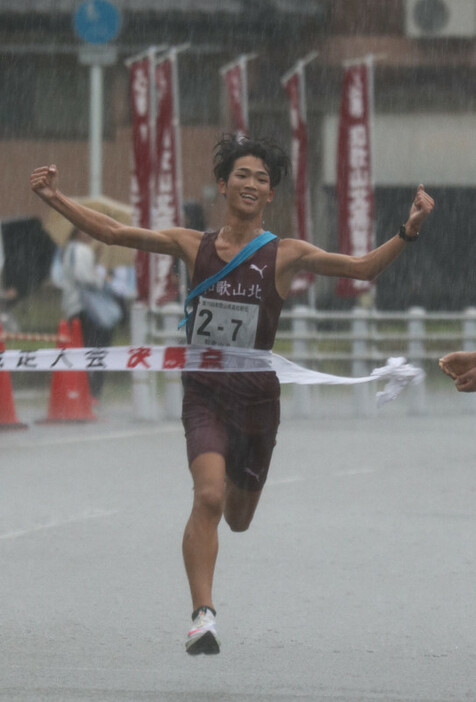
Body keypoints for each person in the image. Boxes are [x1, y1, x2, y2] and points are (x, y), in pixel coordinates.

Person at [31, 134, 434, 656]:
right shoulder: (188, 243)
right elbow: (113, 232)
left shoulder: (285, 254)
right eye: (241, 174)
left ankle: (221, 557)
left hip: (256, 402)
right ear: (223, 185)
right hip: (203, 393)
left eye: (262, 179)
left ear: (270, 196)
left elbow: (361, 269)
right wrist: (55, 199)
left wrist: (409, 229)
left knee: (238, 518)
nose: (251, 183)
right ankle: (203, 616)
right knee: (208, 497)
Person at [62, 227, 122, 402]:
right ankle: (93, 393)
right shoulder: (81, 250)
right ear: (79, 232)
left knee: (81, 351)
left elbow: (76, 275)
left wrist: (93, 260)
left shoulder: (69, 250)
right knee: (97, 350)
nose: (90, 235)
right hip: (87, 310)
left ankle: (80, 391)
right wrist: (102, 280)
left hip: (73, 308)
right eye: (86, 231)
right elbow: (84, 278)